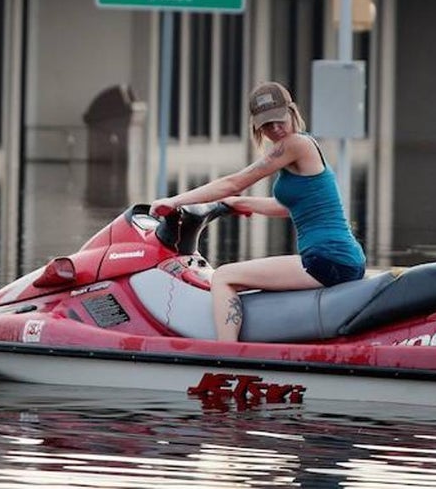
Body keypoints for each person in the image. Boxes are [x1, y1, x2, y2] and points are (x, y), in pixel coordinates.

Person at [150, 81, 365, 342]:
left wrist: (175, 201)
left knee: (224, 277)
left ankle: (226, 357)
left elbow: (234, 182)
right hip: (343, 259)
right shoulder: (305, 147)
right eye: (266, 124)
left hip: (327, 259)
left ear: (292, 111)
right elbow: (289, 208)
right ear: (256, 126)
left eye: (278, 120)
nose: (275, 129)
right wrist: (242, 204)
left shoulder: (295, 144)